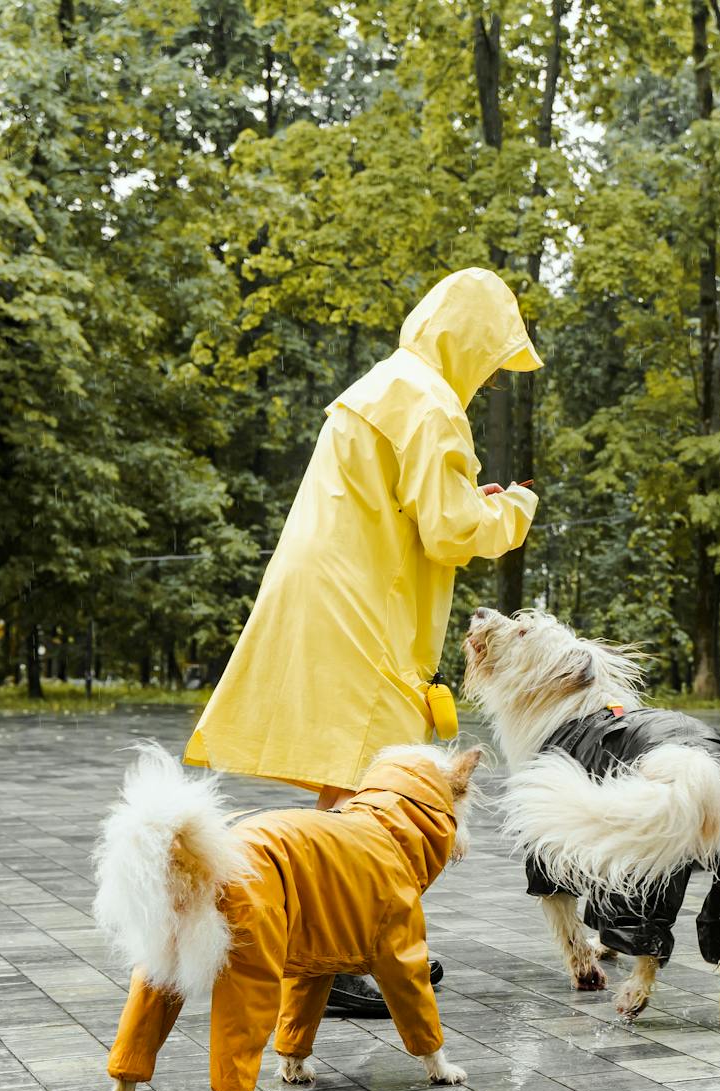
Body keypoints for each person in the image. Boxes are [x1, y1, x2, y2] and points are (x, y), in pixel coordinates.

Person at [111, 267, 538, 1047]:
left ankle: (356, 945)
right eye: (492, 357)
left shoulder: (385, 383)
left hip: (325, 591)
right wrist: (510, 510)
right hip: (360, 605)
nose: (487, 375)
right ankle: (335, 963)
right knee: (368, 774)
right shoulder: (432, 402)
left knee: (349, 776)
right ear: (470, 342)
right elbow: (449, 530)